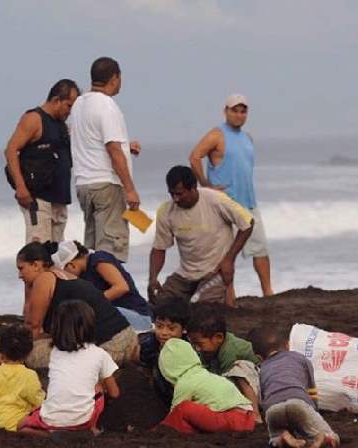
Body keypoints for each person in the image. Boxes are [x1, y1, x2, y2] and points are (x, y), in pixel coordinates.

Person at [189, 94, 273, 297]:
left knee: (260, 249)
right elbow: (194, 157)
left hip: (248, 202)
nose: (239, 114)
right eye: (234, 110)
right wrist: (206, 186)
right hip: (225, 204)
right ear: (226, 111)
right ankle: (229, 296)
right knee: (225, 253)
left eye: (243, 111)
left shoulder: (248, 138)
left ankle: (268, 292)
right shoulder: (217, 135)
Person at [16, 242, 139, 369]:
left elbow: (33, 325)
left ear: (36, 265)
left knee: (32, 355)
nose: (19, 275)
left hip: (108, 349)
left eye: (21, 268)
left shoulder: (44, 279)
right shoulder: (62, 275)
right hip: (128, 340)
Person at [148, 166, 254, 308]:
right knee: (160, 306)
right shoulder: (166, 211)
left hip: (215, 271)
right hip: (185, 274)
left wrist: (229, 259)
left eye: (180, 194)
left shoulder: (216, 200)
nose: (175, 199)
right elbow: (159, 248)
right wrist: (153, 278)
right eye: (172, 194)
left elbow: (247, 222)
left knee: (201, 310)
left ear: (193, 187)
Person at [69, 56, 141, 262]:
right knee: (110, 252)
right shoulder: (107, 105)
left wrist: (127, 146)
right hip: (106, 185)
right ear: (115, 78)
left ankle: (94, 292)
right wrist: (129, 188)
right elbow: (112, 149)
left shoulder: (79, 104)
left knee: (91, 251)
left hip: (84, 184)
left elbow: (93, 140)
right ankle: (111, 292)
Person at [20, 301, 120, 436]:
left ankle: (49, 434)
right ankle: (92, 429)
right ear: (90, 326)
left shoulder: (55, 353)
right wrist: (100, 385)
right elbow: (114, 393)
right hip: (83, 420)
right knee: (98, 391)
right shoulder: (100, 354)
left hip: (50, 420)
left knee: (21, 425)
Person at [4, 79, 80, 244]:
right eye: (68, 105)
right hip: (39, 199)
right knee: (38, 253)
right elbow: (11, 150)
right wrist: (21, 188)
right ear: (56, 100)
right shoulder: (34, 119)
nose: (70, 111)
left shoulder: (61, 125)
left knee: (57, 254)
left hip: (59, 198)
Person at [249, 326, 340, 448]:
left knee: (274, 437)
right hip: (298, 403)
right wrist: (313, 410)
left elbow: (263, 396)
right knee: (331, 437)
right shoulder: (300, 358)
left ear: (259, 358)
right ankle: (322, 439)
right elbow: (311, 389)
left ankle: (282, 438)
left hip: (273, 409)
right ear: (288, 345)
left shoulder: (262, 368)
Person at [157, 338, 255, 434]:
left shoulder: (185, 382)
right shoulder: (205, 374)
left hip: (231, 420)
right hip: (248, 418)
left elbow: (176, 411)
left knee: (183, 408)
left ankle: (163, 432)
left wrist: (163, 427)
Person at [51, 240, 152, 331]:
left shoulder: (98, 259)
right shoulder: (83, 275)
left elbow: (121, 288)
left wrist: (95, 304)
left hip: (138, 317)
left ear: (71, 265)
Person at [187, 303, 262, 423]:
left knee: (240, 369)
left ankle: (255, 414)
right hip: (230, 381)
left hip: (256, 385)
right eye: (193, 344)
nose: (197, 348)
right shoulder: (210, 350)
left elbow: (224, 381)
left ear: (218, 337)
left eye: (199, 344)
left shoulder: (230, 350)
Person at [0, 325, 45, 432]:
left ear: (1, 352)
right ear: (28, 352)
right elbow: (38, 401)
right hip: (17, 422)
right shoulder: (29, 375)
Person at [137, 299, 190, 407]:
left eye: (171, 328)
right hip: (158, 394)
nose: (164, 333)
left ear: (184, 329)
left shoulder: (189, 351)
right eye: (159, 326)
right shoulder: (149, 343)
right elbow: (146, 368)